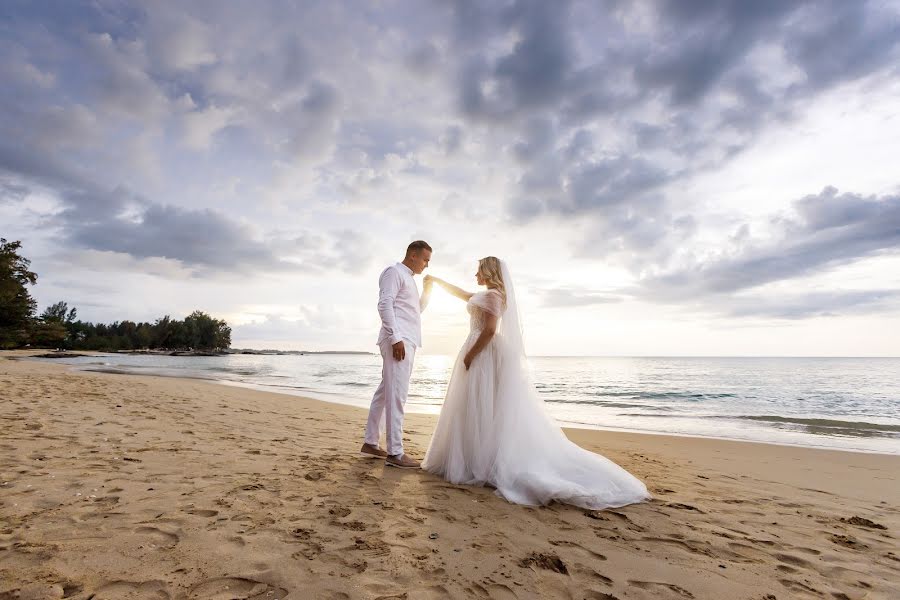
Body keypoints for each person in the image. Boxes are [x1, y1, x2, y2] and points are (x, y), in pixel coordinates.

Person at [421, 257, 650, 509]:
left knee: (482, 404)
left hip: (482, 353)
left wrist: (470, 355)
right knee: (475, 406)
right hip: (477, 349)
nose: (475, 274)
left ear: (488, 272)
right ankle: (473, 459)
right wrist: (438, 281)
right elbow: (463, 294)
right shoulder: (485, 295)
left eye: (478, 270)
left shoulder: (495, 296)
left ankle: (483, 463)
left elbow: (488, 330)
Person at [361, 240, 433, 468]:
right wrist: (395, 338)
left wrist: (428, 291)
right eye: (425, 259)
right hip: (399, 341)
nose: (427, 265)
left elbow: (415, 311)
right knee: (397, 395)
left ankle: (370, 443)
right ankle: (395, 453)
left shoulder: (409, 279)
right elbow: (384, 304)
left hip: (406, 339)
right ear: (412, 255)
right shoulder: (394, 272)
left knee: (385, 393)